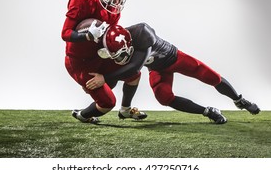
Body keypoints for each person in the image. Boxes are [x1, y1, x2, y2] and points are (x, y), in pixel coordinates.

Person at [87, 23, 260, 124]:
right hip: (157, 68)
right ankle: (208, 111)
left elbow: (133, 68)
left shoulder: (142, 33)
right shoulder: (111, 43)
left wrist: (105, 78)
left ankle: (239, 100)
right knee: (164, 97)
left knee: (211, 77)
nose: (120, 58)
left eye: (122, 54)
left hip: (174, 57)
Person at [61, 0, 146, 124]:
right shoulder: (83, 0)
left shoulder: (113, 12)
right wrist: (86, 36)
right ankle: (82, 115)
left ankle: (126, 110)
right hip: (78, 62)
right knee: (107, 103)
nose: (116, 3)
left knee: (134, 73)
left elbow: (107, 38)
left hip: (98, 56)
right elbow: (65, 33)